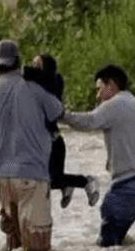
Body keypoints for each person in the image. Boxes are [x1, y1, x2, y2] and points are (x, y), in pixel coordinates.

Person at [0, 39, 64, 251]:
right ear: (18, 60)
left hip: (2, 177)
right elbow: (57, 112)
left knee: (13, 248)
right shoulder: (36, 88)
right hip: (32, 176)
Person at [61, 64, 135, 246]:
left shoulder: (114, 105)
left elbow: (89, 122)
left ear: (112, 85)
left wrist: (62, 115)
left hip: (128, 185)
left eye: (99, 89)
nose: (98, 95)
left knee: (107, 245)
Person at [23, 54, 99, 208]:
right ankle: (68, 185)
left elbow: (25, 72)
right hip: (46, 143)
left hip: (53, 143)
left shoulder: (53, 80)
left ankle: (86, 181)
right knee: (42, 181)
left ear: (46, 67)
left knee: (47, 181)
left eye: (38, 64)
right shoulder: (40, 84)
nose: (34, 67)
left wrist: (13, 70)